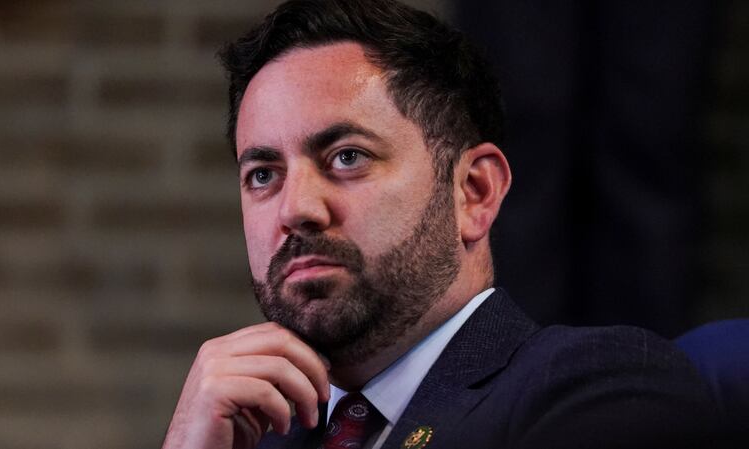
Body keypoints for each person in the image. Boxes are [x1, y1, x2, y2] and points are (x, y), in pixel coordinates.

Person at [162, 1, 716, 448]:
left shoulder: (602, 388)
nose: (296, 208)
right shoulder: (254, 435)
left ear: (474, 192)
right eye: (263, 174)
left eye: (347, 157)